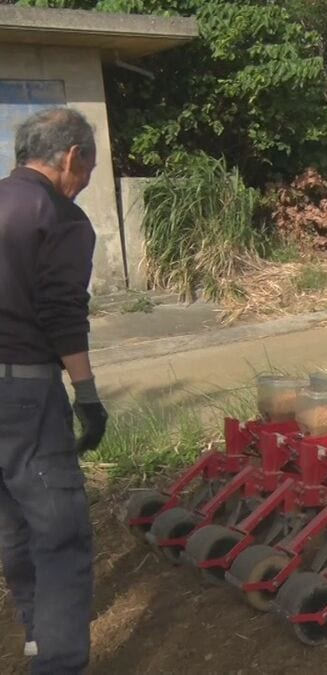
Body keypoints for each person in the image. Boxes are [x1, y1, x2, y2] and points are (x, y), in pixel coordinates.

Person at [0, 107, 108, 674]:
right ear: (72, 157)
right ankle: (59, 664)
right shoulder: (59, 217)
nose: (86, 180)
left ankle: (38, 635)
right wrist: (87, 395)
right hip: (22, 395)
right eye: (87, 168)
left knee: (13, 523)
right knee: (60, 536)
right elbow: (63, 313)